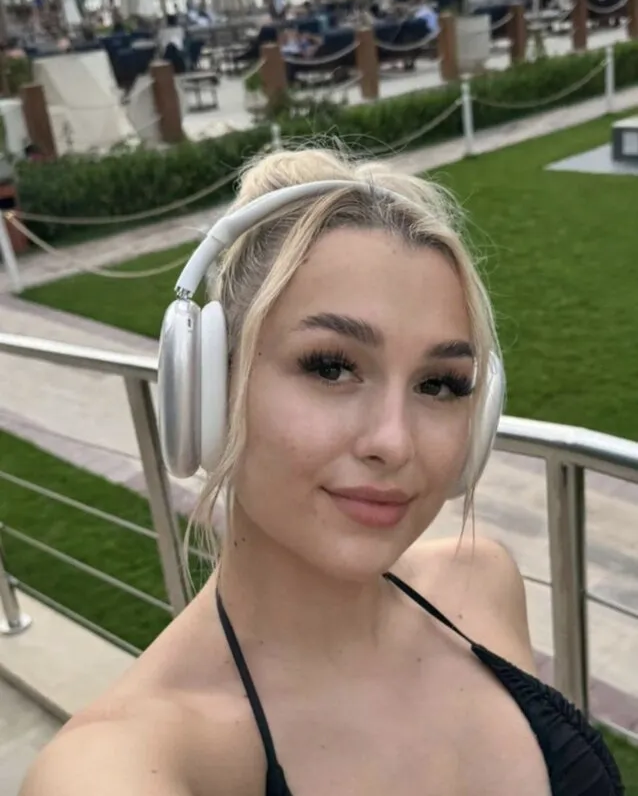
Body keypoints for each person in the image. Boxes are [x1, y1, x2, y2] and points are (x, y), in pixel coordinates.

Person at [21, 148, 623, 796]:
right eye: (331, 367)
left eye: (440, 384)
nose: (394, 442)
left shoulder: (482, 581)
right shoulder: (126, 765)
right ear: (210, 390)